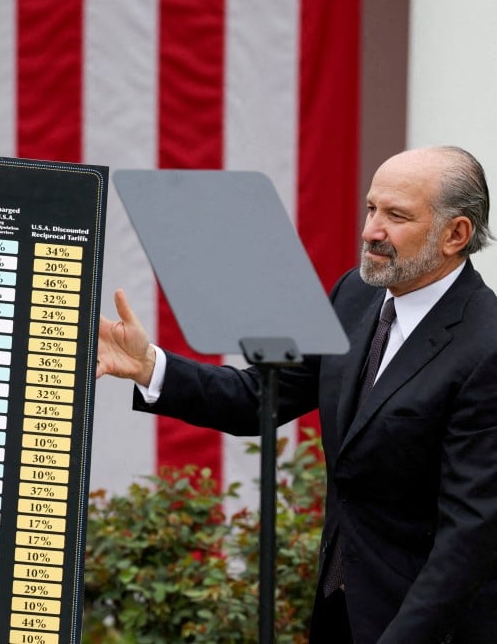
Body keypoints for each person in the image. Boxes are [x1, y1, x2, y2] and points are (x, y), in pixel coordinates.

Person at [96, 146, 497, 643]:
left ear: (456, 234)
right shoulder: (355, 295)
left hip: (426, 628)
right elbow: (258, 398)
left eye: (396, 216)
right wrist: (149, 365)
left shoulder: (485, 345)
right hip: (339, 611)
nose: (371, 231)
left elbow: (471, 534)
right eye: (371, 208)